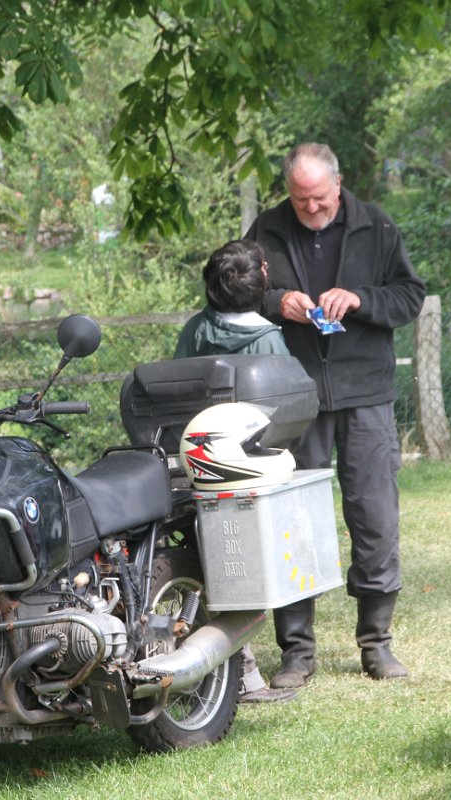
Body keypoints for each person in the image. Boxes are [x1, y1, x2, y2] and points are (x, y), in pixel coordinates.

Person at [246, 143, 427, 684]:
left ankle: (377, 644)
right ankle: (297, 652)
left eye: (319, 198)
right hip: (294, 395)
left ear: (339, 184)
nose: (311, 209)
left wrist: (363, 299)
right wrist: (278, 302)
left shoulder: (377, 225)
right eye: (300, 200)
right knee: (293, 520)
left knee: (374, 515)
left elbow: (410, 296)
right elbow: (240, 293)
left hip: (366, 392)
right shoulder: (267, 228)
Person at [175, 238, 296, 703]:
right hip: (248, 472)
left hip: (199, 465)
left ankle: (235, 669)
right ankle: (243, 673)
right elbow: (283, 412)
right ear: (262, 279)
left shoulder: (195, 331)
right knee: (246, 570)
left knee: (212, 563)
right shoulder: (268, 339)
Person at [174, 239, 288, 358]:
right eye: (262, 267)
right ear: (257, 284)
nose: (265, 272)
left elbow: (177, 374)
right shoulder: (269, 341)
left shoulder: (195, 327)